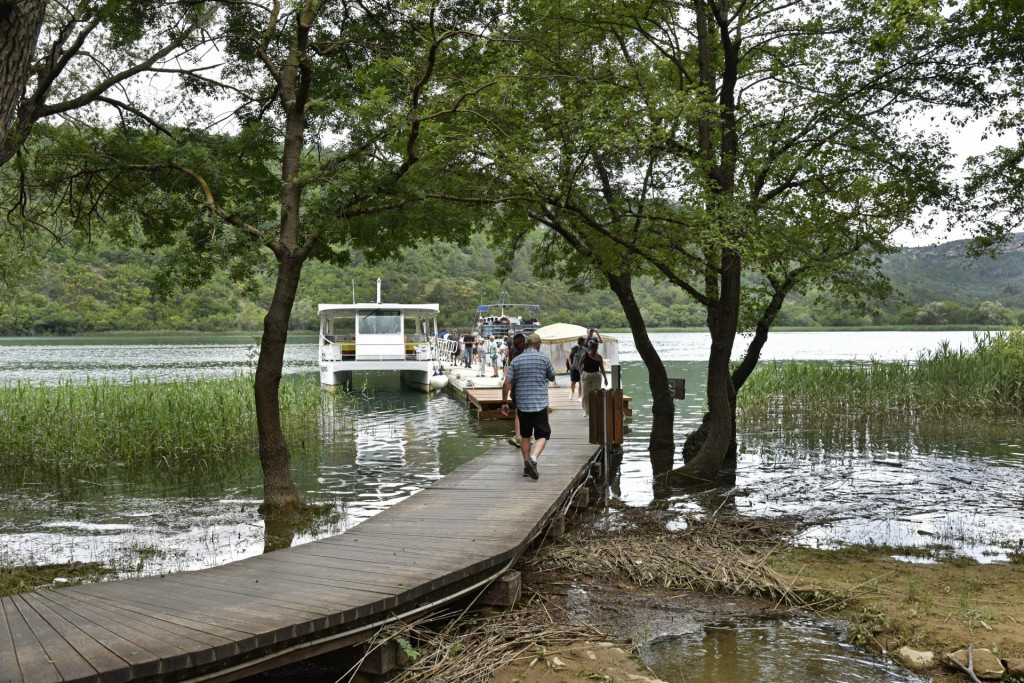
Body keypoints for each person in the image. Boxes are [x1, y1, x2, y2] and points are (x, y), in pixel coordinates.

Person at [501, 333, 555, 480]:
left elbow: (507, 382)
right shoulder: (544, 359)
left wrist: (504, 402)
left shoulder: (516, 360)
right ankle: (533, 459)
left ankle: (527, 467)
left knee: (525, 435)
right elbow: (552, 377)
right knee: (543, 435)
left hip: (523, 405)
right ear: (538, 345)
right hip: (539, 404)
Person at [504, 332, 527, 448]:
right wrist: (511, 390)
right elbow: (510, 377)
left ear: (524, 342)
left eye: (518, 343)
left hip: (526, 387)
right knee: (519, 411)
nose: (516, 346)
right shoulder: (515, 354)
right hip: (518, 387)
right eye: (514, 344)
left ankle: (523, 435)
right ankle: (519, 436)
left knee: (523, 412)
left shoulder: (527, 354)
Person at [577, 338, 607, 416]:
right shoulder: (585, 355)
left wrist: (605, 378)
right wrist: (580, 371)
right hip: (586, 375)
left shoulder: (599, 357)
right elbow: (579, 365)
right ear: (590, 349)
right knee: (585, 395)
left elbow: (602, 368)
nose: (594, 351)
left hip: (596, 375)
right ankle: (586, 411)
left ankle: (594, 410)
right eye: (593, 350)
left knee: (596, 393)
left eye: (596, 349)